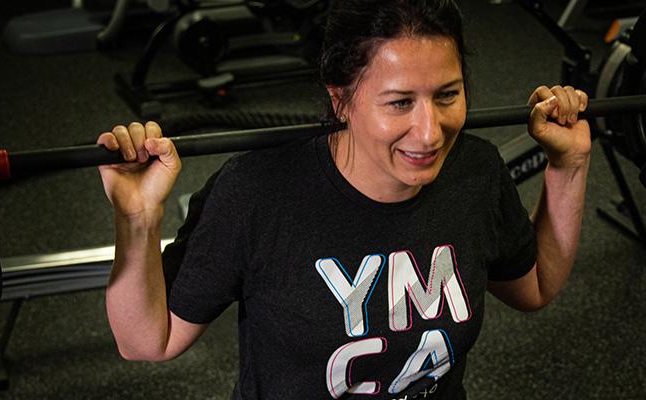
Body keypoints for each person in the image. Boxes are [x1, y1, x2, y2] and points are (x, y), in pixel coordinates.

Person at [96, 0, 589, 398]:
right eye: (400, 102)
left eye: (447, 95)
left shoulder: (475, 171)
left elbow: (536, 287)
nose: (430, 132)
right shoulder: (256, 193)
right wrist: (137, 216)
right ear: (341, 100)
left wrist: (568, 167)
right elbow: (148, 342)